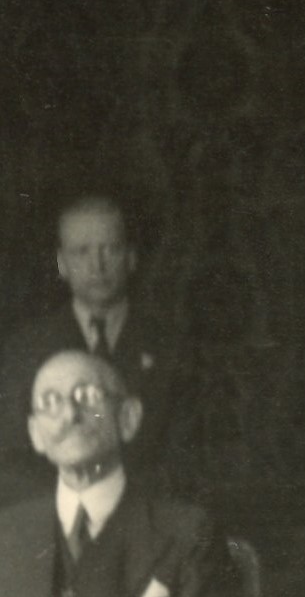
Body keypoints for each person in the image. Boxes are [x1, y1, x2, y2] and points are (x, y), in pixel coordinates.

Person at [0, 350, 242, 597]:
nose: (70, 414)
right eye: (50, 401)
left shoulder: (189, 535)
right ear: (35, 433)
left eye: (87, 396)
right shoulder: (7, 533)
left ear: (128, 417)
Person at [1, 194, 178, 503]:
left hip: (150, 516)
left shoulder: (171, 346)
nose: (97, 266)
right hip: (55, 518)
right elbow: (11, 457)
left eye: (110, 249)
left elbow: (185, 456)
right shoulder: (25, 349)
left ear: (131, 258)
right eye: (82, 252)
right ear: (62, 263)